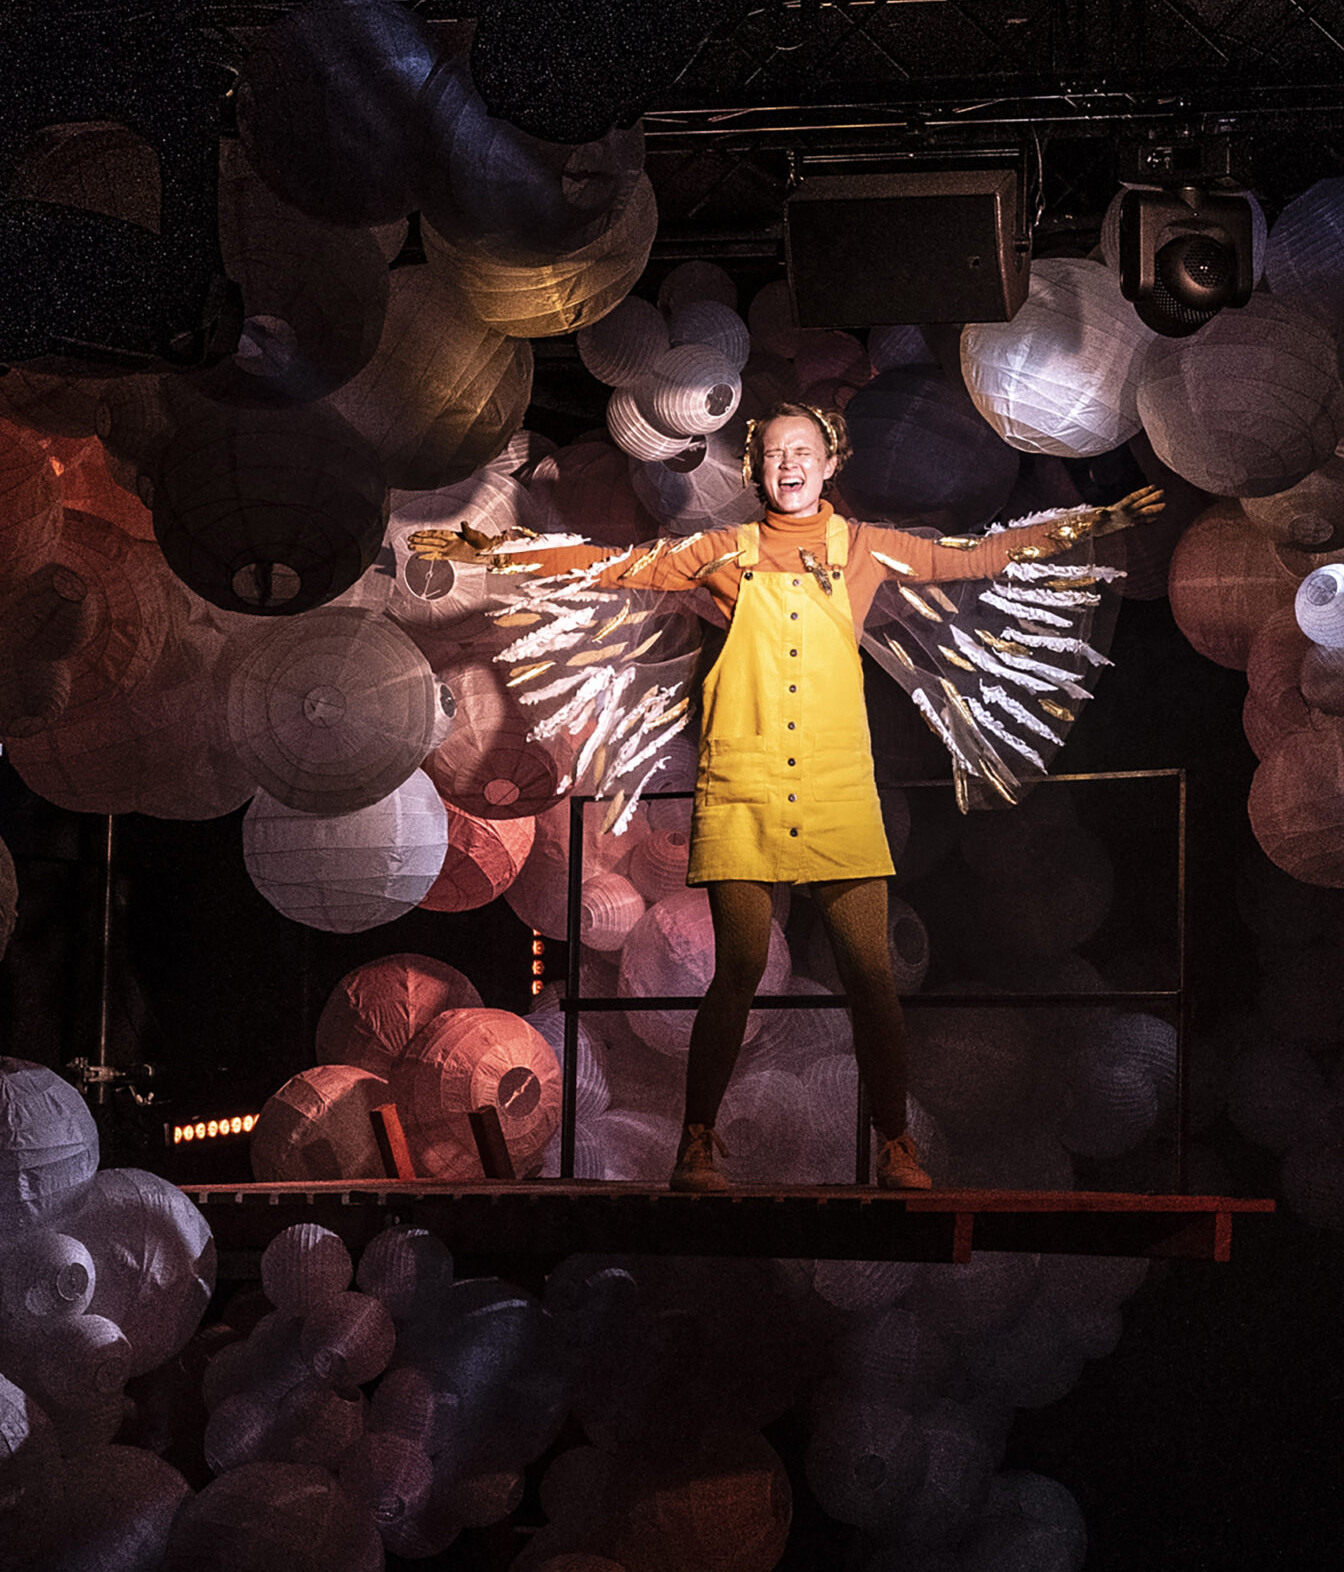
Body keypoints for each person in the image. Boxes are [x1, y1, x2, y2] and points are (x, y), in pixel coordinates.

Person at [411, 401, 1160, 1196]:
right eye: (773, 454)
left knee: (868, 972)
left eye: (802, 451)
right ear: (757, 469)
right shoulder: (720, 553)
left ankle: (895, 1146)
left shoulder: (864, 549)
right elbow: (607, 565)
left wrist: (1089, 521)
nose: (789, 465)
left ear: (829, 464)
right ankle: (696, 1147)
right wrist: (490, 549)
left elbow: (976, 557)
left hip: (834, 785)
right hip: (746, 785)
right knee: (736, 968)